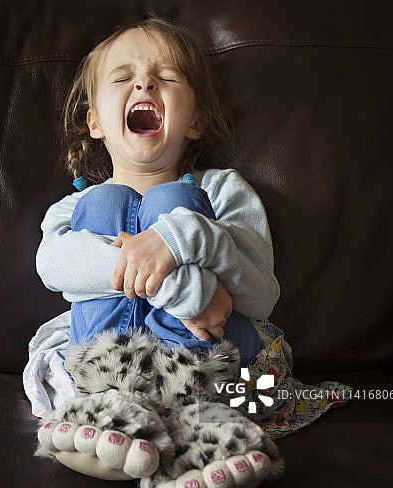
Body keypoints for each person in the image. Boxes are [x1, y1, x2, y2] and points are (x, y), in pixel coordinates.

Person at [35, 17, 278, 367]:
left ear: (195, 121)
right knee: (104, 203)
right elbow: (51, 265)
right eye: (122, 78)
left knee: (173, 199)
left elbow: (261, 297)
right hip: (110, 369)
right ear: (96, 123)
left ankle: (183, 389)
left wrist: (179, 239)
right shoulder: (75, 208)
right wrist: (186, 289)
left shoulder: (222, 190)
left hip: (206, 362)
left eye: (166, 77)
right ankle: (123, 390)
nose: (144, 83)